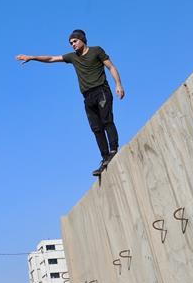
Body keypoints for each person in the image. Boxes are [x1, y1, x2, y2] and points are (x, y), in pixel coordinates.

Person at [16, 29, 125, 176]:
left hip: (101, 91)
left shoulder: (96, 51)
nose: (73, 44)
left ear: (82, 40)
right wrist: (32, 57)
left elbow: (111, 66)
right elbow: (52, 59)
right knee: (96, 128)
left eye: (75, 41)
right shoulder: (72, 57)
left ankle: (113, 150)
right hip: (87, 97)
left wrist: (118, 85)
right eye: (71, 43)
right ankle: (105, 158)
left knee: (106, 121)